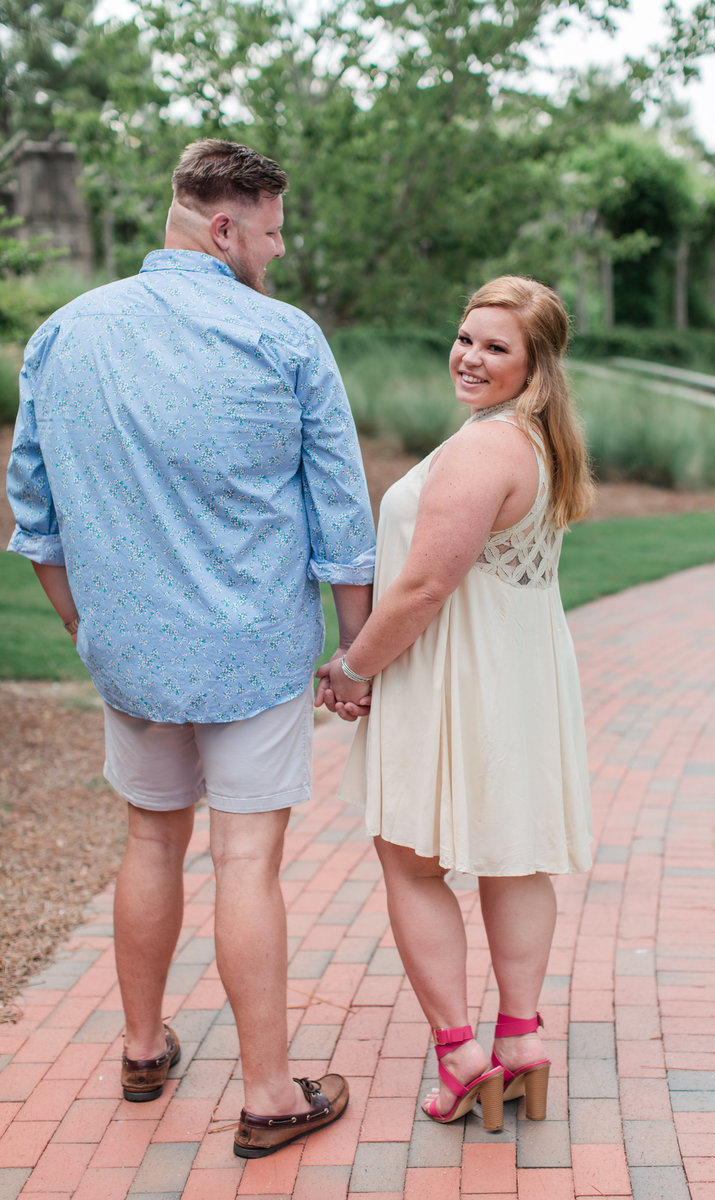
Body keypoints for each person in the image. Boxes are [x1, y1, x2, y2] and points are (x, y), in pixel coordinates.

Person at [6, 138, 375, 1158]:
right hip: (251, 650)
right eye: (272, 228)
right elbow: (341, 517)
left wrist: (88, 627)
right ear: (225, 226)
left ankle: (138, 1046)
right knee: (245, 860)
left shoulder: (64, 334)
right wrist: (353, 655)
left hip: (132, 657)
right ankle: (265, 1093)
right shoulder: (285, 339)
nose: (281, 247)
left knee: (150, 841)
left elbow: (31, 511)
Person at [316, 275, 593, 1131]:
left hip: (453, 678)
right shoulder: (532, 442)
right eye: (466, 337)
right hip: (514, 674)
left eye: (496, 347)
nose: (469, 357)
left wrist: (354, 668)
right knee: (515, 855)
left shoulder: (485, 448)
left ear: (536, 365)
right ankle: (521, 1040)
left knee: (410, 861)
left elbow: (426, 585)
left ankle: (462, 1054)